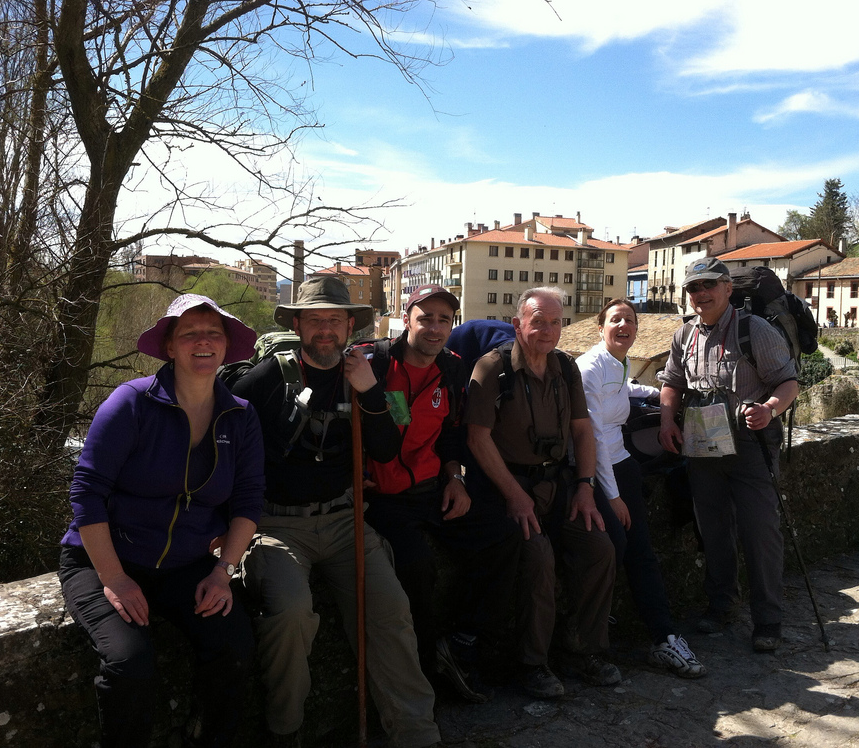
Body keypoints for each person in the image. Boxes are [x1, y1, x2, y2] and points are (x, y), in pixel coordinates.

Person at [230, 277, 440, 748]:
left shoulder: (370, 375)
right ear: (299, 325)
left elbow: (388, 449)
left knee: (392, 610)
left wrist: (368, 391)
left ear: (350, 325)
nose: (325, 330)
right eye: (315, 320)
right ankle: (286, 731)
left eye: (334, 320)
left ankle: (417, 735)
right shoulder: (267, 379)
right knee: (288, 614)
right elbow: (220, 440)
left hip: (346, 521)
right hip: (276, 524)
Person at [59, 294, 264, 747]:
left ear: (227, 345)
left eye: (213, 333)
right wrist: (114, 578)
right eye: (189, 333)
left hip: (185, 564)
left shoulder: (240, 416)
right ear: (170, 346)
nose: (203, 341)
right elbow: (87, 493)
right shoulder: (130, 403)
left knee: (234, 646)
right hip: (103, 560)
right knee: (131, 662)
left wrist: (221, 571)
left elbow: (249, 502)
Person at [360, 284, 520, 703]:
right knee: (417, 568)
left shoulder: (450, 369)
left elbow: (451, 436)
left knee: (503, 536)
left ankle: (465, 638)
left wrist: (455, 478)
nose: (434, 328)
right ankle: (427, 671)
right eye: (425, 318)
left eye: (443, 320)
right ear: (406, 318)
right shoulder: (374, 363)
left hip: (433, 489)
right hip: (386, 498)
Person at [465, 287, 619, 699]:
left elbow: (583, 431)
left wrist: (585, 489)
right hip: (508, 490)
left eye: (555, 322)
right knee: (538, 558)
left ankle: (585, 652)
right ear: (518, 325)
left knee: (599, 548)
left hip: (560, 486)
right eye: (539, 322)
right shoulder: (491, 369)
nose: (548, 330)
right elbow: (478, 440)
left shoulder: (565, 369)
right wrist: (515, 497)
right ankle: (533, 664)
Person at [657, 258, 799, 653]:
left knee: (759, 530)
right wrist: (668, 420)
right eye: (693, 288)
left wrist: (769, 408)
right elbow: (671, 382)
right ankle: (721, 606)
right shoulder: (684, 334)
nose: (700, 294)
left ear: (727, 289)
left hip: (750, 443)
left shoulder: (754, 330)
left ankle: (768, 619)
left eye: (708, 286)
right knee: (712, 529)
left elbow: (788, 383)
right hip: (702, 442)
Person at [576, 299, 706, 679]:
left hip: (622, 465)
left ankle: (663, 637)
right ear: (600, 328)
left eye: (629, 320)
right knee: (613, 546)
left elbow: (624, 389)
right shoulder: (589, 367)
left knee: (642, 552)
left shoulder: (618, 363)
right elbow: (594, 436)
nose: (623, 326)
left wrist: (655, 395)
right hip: (598, 472)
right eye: (615, 320)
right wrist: (612, 496)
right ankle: (589, 635)